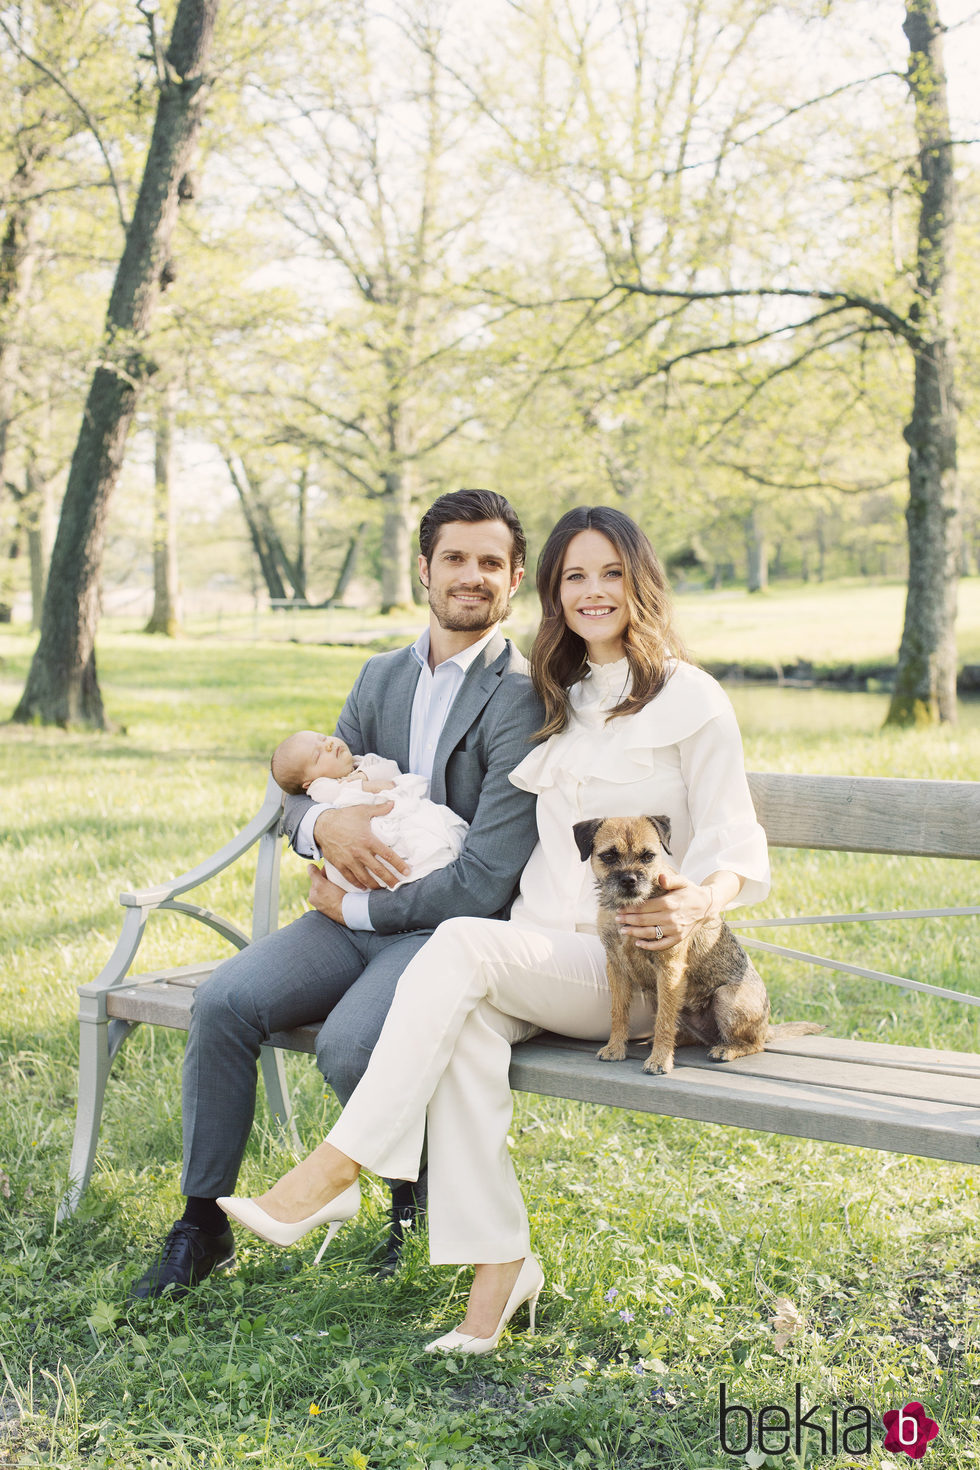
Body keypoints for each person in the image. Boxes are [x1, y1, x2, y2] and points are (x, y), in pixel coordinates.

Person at [217, 505, 772, 1353]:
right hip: (532, 950)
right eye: (575, 576)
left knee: (460, 946)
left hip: (619, 962)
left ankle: (333, 1172)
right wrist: (333, 826)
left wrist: (701, 898)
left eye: (611, 573)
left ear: (640, 583)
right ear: (550, 592)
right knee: (466, 1038)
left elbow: (737, 837)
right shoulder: (551, 697)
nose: (593, 592)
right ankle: (500, 1274)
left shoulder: (690, 699)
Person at [129, 489, 544, 1300]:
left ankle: (412, 1198)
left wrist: (352, 905)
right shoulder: (379, 675)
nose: (471, 576)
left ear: (515, 579)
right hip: (348, 913)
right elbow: (302, 792)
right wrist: (326, 834)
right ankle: (202, 1222)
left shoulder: (524, 696)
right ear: (423, 568)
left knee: (348, 1047)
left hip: (446, 933)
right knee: (225, 1003)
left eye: (489, 562)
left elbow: (487, 878)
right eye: (454, 558)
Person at [270, 731, 469, 892]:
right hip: (370, 833)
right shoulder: (321, 786)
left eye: (323, 738)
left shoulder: (363, 762)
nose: (328, 745)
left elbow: (391, 771)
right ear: (309, 782)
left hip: (399, 812)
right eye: (318, 755)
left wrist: (363, 776)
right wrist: (366, 786)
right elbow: (338, 792)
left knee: (426, 829)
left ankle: (438, 858)